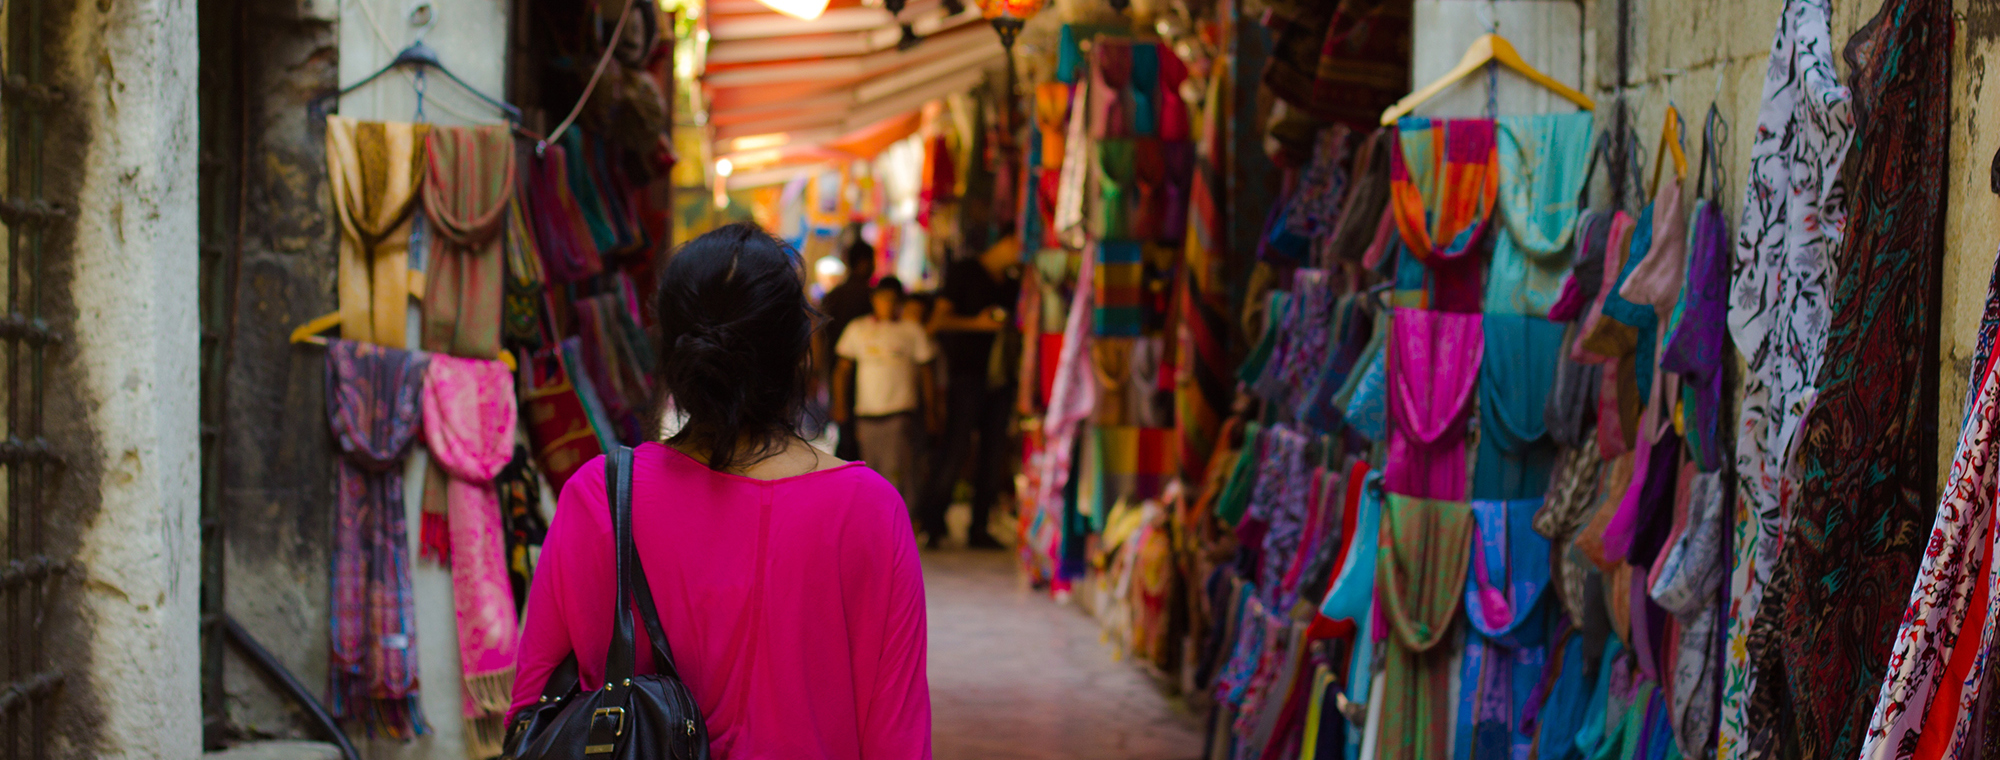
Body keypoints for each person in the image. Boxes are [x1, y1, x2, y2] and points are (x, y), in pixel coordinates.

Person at [510, 222, 931, 758]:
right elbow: (898, 740)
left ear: (671, 352)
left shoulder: (600, 495)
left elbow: (533, 712)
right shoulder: (870, 510)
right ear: (798, 353)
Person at [916, 235, 1022, 550]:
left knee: (993, 453)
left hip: (1001, 377)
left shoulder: (1013, 281)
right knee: (956, 448)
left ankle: (980, 527)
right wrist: (978, 324)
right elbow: (936, 323)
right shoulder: (964, 271)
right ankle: (932, 524)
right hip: (966, 376)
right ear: (1006, 241)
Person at [833, 277, 938, 511]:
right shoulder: (857, 329)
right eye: (882, 299)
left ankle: (900, 520)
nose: (887, 305)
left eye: (892, 300)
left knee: (897, 471)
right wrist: (839, 403)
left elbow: (926, 374)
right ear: (874, 300)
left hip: (900, 412)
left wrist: (931, 410)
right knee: (871, 472)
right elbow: (842, 370)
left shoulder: (912, 331)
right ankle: (877, 521)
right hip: (867, 413)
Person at [817, 226, 878, 460]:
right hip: (865, 373)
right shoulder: (869, 295)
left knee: (845, 429)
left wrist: (819, 372)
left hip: (835, 369)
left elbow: (819, 337)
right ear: (864, 263)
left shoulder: (833, 296)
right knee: (857, 434)